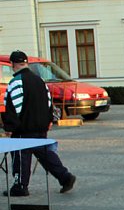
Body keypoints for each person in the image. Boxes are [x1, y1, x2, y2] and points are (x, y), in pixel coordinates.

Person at [1, 50, 76, 197]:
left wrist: (9, 127)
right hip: (41, 126)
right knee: (46, 155)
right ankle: (65, 177)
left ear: (13, 64)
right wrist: (49, 120)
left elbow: (13, 106)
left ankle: (20, 186)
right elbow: (48, 102)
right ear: (26, 63)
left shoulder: (16, 82)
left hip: (23, 128)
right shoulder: (39, 80)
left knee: (21, 157)